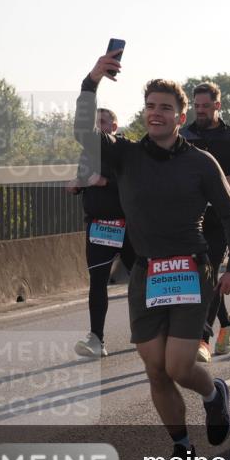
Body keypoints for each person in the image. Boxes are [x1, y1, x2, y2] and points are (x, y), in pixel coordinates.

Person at [74, 49, 230, 460]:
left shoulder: (201, 163)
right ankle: (181, 447)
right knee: (155, 369)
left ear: (179, 117)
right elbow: (82, 130)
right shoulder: (125, 155)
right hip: (147, 273)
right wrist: (92, 79)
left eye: (165, 108)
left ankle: (212, 392)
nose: (156, 113)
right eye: (150, 106)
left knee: (180, 366)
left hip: (190, 270)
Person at [183, 82, 230, 361]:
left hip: (223, 218)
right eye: (196, 106)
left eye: (205, 106)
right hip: (191, 218)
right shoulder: (185, 135)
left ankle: (202, 338)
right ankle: (226, 322)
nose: (200, 111)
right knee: (201, 277)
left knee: (211, 272)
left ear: (218, 106)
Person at [68, 108, 137, 358]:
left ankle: (150, 330)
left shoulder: (126, 150)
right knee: (97, 283)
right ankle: (96, 339)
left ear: (115, 126)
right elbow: (84, 179)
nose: (98, 127)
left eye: (103, 122)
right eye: (95, 123)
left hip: (128, 227)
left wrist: (106, 182)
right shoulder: (87, 153)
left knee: (142, 280)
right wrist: (76, 186)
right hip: (98, 227)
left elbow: (139, 184)